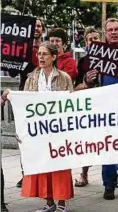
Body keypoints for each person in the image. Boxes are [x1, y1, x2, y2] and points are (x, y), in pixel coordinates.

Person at [2, 42, 74, 212]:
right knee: (42, 166)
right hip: (39, 129)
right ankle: (49, 203)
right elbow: (24, 104)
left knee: (60, 166)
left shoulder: (64, 77)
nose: (41, 57)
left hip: (58, 128)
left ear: (54, 57)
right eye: (39, 54)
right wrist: (10, 96)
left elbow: (71, 103)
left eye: (45, 54)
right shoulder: (32, 77)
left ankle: (62, 204)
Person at [84, 18, 118, 200]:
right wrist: (88, 79)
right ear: (105, 33)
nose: (113, 32)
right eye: (110, 29)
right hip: (106, 109)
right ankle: (109, 185)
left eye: (116, 29)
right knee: (108, 147)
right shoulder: (98, 53)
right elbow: (88, 81)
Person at [10, 18, 44, 189]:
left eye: (39, 26)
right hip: (25, 97)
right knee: (25, 138)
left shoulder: (47, 49)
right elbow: (12, 69)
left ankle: (41, 174)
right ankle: (27, 175)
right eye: (34, 26)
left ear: (42, 30)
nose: (36, 29)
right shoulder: (21, 49)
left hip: (43, 99)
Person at [73, 27, 102, 188]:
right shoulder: (83, 62)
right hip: (89, 106)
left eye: (96, 38)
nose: (93, 42)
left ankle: (115, 174)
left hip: (108, 105)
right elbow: (76, 86)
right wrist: (85, 81)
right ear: (86, 43)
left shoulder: (111, 58)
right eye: (90, 39)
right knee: (87, 142)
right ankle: (84, 174)